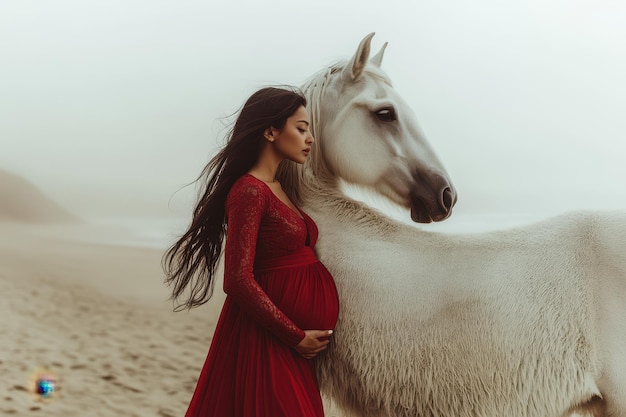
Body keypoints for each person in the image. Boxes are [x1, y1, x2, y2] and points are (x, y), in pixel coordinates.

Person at [163, 86, 340, 417]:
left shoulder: (279, 188)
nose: (310, 138)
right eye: (301, 129)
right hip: (267, 342)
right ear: (271, 131)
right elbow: (237, 279)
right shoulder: (249, 191)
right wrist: (296, 336)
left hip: (291, 349)